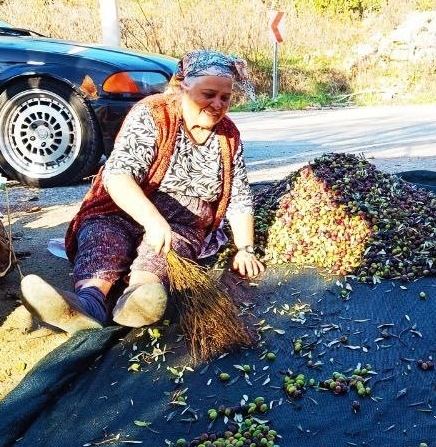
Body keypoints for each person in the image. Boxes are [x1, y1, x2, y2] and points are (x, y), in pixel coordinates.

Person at [20, 49, 264, 333]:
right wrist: (152, 219)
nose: (217, 105)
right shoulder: (154, 113)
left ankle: (137, 300)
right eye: (208, 94)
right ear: (183, 87)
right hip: (122, 210)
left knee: (161, 252)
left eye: (225, 98)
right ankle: (88, 304)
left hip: (182, 225)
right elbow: (119, 176)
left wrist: (245, 248)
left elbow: (239, 196)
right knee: (103, 237)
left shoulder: (228, 135)